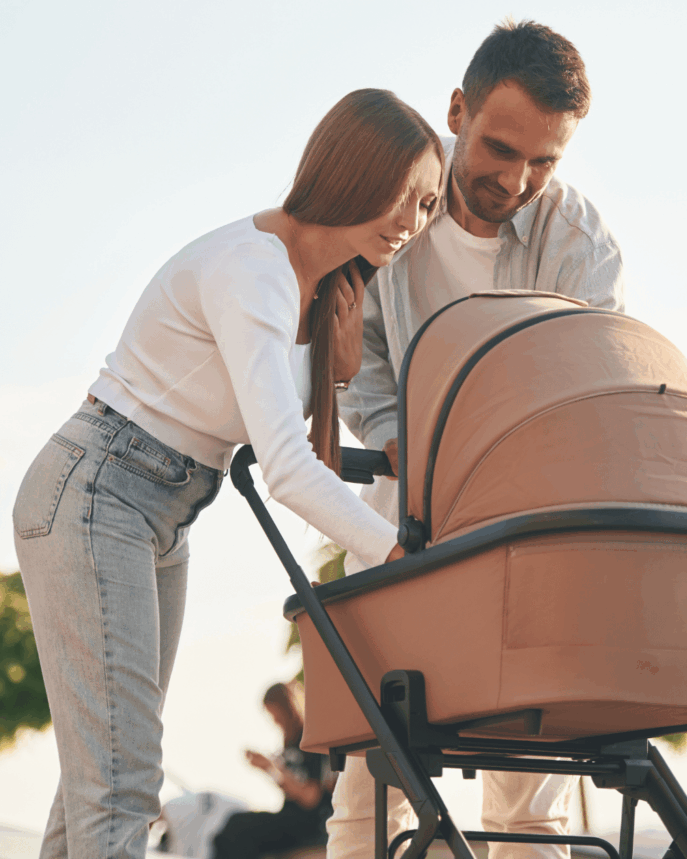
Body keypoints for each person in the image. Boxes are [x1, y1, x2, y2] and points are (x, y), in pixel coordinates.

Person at [12, 88, 444, 859]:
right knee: (121, 782)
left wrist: (338, 370)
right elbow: (288, 468)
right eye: (405, 195)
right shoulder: (256, 270)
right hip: (98, 491)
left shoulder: (316, 290)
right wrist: (402, 555)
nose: (413, 221)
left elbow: (283, 430)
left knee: (100, 780)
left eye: (429, 204)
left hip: (158, 511)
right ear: (353, 171)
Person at [328, 20, 625, 859]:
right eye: (500, 149)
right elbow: (358, 354)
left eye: (543, 161)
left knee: (532, 796)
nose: (517, 180)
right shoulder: (389, 208)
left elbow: (588, 381)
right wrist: (394, 436)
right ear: (457, 111)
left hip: (527, 530)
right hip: (399, 523)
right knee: (369, 788)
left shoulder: (579, 245)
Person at [212, 683, 334, 858]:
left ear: (287, 709)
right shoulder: (290, 743)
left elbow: (311, 797)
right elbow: (289, 786)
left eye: (276, 715)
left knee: (238, 828)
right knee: (230, 829)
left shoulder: (311, 740)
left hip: (311, 822)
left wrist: (271, 767)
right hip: (291, 816)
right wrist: (269, 768)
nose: (275, 721)